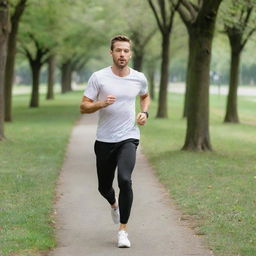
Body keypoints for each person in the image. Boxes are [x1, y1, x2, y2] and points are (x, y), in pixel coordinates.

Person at [80, 35, 150, 248]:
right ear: (111, 52)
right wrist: (101, 104)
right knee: (104, 187)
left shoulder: (139, 78)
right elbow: (84, 106)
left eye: (126, 51)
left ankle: (123, 230)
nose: (122, 54)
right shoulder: (99, 77)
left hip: (129, 136)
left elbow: (145, 96)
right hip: (104, 140)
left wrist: (144, 113)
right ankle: (113, 204)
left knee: (125, 179)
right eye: (118, 50)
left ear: (130, 53)